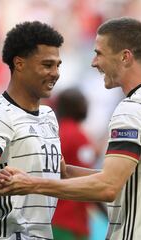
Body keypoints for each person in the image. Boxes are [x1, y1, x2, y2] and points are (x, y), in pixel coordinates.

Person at [0, 17, 141, 239]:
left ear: (125, 56)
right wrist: (67, 172)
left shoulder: (134, 109)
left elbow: (108, 187)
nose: (94, 62)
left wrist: (31, 184)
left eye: (99, 53)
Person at [0, 21, 64, 240]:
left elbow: (63, 173)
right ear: (19, 64)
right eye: (48, 65)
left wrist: (113, 177)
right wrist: (2, 181)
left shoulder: (49, 116)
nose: (56, 73)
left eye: (58, 65)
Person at [52, 88, 97, 240]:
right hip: (71, 222)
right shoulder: (78, 137)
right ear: (76, 107)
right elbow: (90, 181)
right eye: (83, 102)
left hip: (52, 218)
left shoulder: (55, 132)